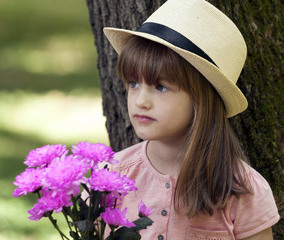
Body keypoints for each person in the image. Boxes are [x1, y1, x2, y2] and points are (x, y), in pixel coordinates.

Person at [102, 0, 280, 239]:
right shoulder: (111, 177)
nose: (140, 100)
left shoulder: (241, 189)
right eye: (133, 83)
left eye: (161, 87)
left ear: (201, 100)